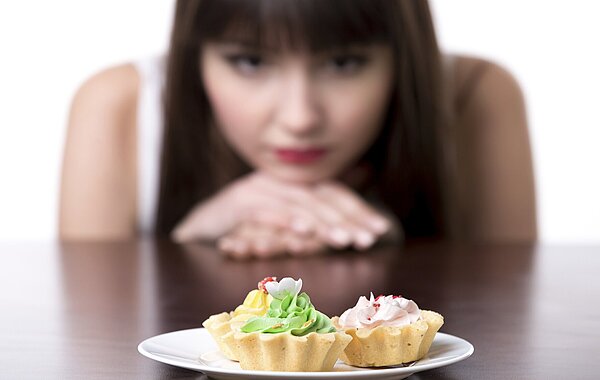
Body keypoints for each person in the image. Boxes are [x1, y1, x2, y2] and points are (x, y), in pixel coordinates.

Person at [59, 0, 537, 258]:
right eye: (249, 61)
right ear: (194, 56)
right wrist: (187, 241)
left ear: (402, 55)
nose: (299, 117)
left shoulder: (475, 97)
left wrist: (381, 244)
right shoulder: (120, 105)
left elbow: (513, 317)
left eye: (344, 62)